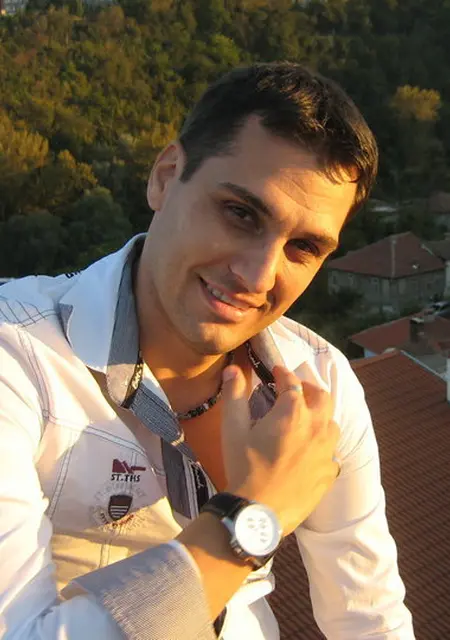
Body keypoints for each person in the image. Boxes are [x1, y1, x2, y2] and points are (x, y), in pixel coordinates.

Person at [0, 62, 414, 639]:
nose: (258, 275)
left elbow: (369, 619)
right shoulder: (20, 359)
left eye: (303, 247)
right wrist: (249, 517)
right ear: (166, 177)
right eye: (241, 214)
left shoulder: (319, 386)